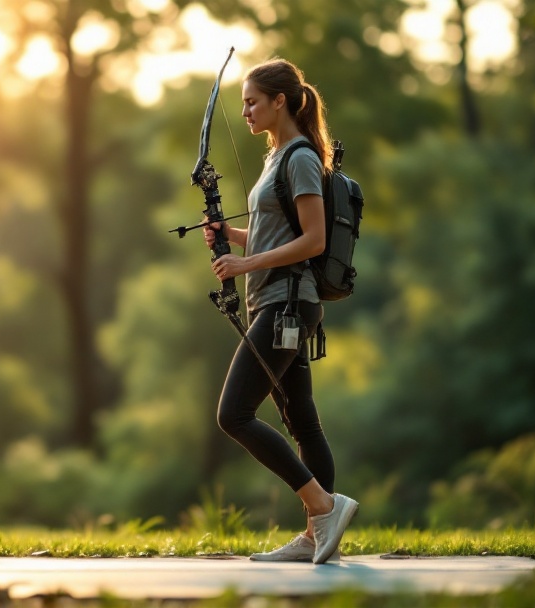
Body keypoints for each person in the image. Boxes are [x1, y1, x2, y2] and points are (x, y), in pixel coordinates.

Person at [202, 58, 358, 565]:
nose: (245, 111)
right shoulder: (276, 158)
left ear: (280, 101)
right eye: (243, 103)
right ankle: (318, 538)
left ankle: (323, 506)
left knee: (233, 414)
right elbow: (278, 234)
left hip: (287, 304)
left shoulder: (302, 158)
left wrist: (245, 262)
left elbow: (313, 241)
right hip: (276, 302)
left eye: (252, 102)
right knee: (303, 422)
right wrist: (232, 236)